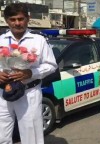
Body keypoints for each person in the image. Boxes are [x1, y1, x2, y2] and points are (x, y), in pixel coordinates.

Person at [0, 3, 57, 144]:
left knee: (31, 135)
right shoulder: (0, 40)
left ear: (28, 19)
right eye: (13, 19)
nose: (17, 23)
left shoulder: (39, 40)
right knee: (2, 135)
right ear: (6, 20)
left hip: (29, 93)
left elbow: (51, 65)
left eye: (21, 19)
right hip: (3, 93)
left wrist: (31, 72)